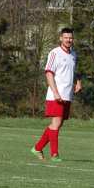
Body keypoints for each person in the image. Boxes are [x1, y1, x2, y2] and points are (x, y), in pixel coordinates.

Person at [31, 28, 81, 162]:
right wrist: (55, 92)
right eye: (66, 38)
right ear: (61, 38)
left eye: (70, 38)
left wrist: (78, 82)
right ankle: (54, 154)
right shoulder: (55, 53)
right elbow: (49, 73)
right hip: (56, 95)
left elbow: (74, 71)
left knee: (57, 124)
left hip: (67, 95)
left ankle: (37, 148)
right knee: (56, 123)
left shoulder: (73, 55)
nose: (68, 40)